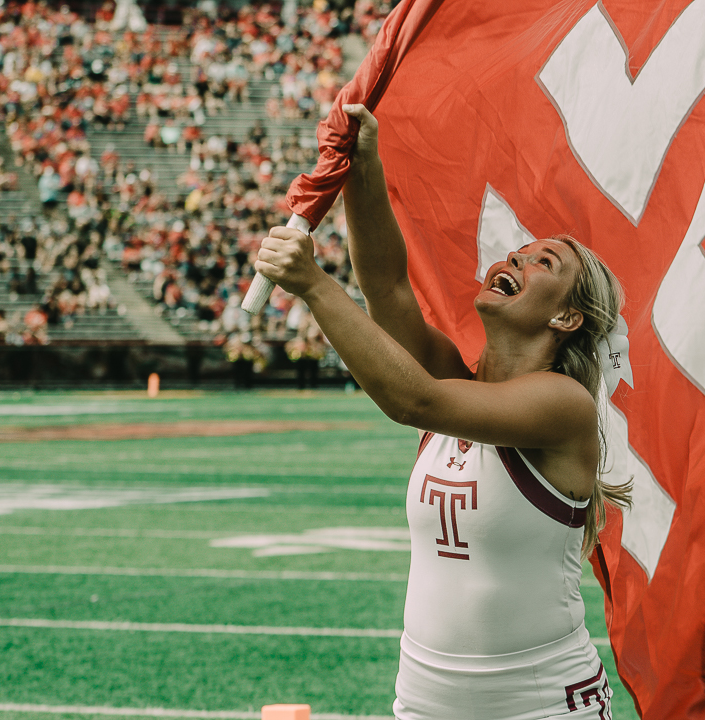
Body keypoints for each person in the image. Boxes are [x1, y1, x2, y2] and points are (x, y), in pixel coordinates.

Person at [253, 104, 630, 720]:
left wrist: (314, 285)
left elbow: (413, 401)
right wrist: (364, 166)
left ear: (566, 317)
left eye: (545, 263)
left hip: (539, 706)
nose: (516, 259)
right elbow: (387, 288)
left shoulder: (562, 403)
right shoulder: (458, 381)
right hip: (424, 701)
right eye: (520, 251)